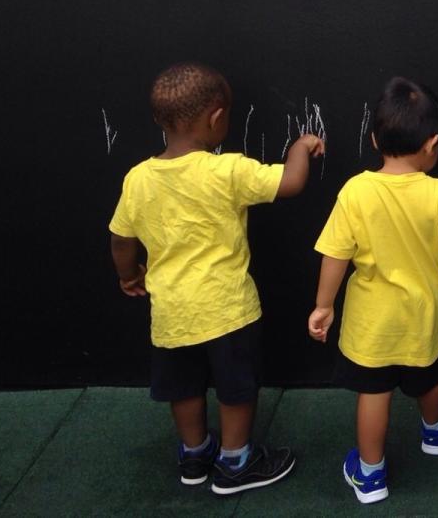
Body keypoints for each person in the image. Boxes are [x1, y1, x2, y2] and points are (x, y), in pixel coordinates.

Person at [109, 62, 324, 494]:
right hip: (229, 310)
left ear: (159, 121)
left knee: (183, 387)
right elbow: (291, 181)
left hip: (171, 312)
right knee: (236, 387)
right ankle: (236, 461)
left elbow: (120, 237)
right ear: (216, 118)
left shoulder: (137, 179)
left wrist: (128, 274)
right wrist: (301, 145)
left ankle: (194, 454)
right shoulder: (226, 171)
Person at [309, 76, 438, 505]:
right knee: (428, 379)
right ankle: (435, 432)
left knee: (374, 394)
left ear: (373, 139)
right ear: (433, 144)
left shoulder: (355, 191)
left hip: (371, 324)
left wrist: (323, 305)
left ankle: (370, 475)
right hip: (423, 318)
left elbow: (334, 253)